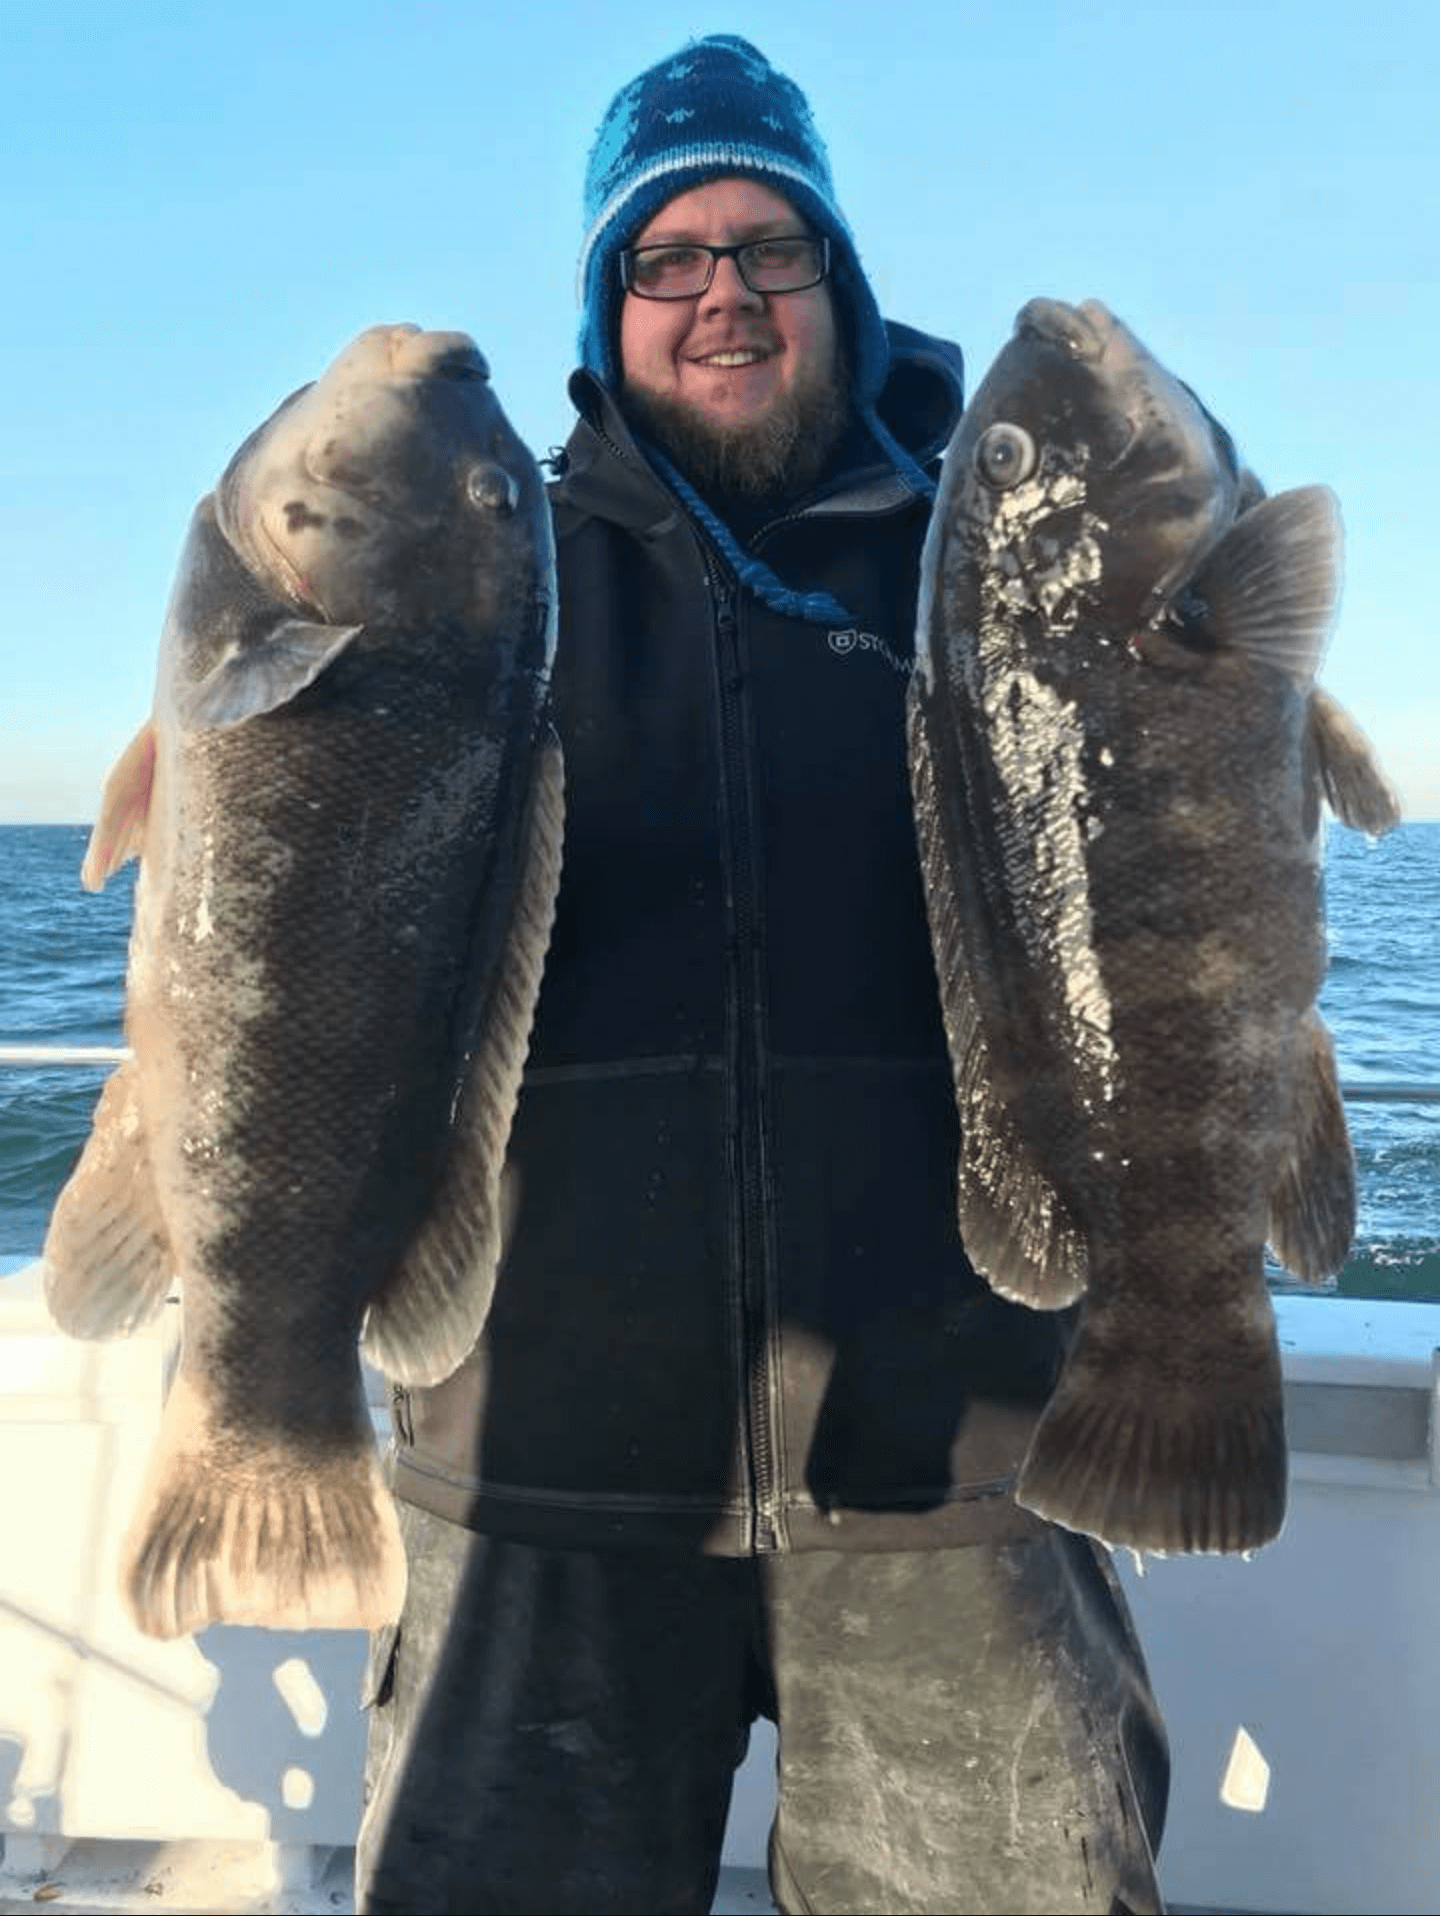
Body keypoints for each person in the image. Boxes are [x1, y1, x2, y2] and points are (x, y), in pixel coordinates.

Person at [354, 33, 1169, 1916]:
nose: (722, 291)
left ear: (839, 280)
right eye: (667, 255)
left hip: (958, 1464)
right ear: (607, 299)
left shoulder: (1002, 573)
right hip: (531, 1469)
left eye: (770, 245)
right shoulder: (491, 580)